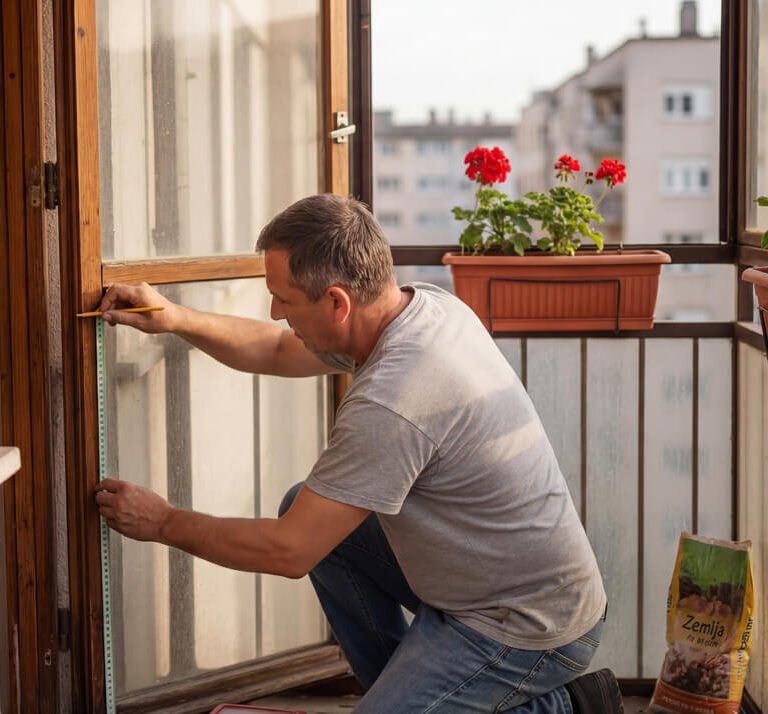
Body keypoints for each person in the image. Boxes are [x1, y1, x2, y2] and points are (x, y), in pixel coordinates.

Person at [95, 193, 623, 714]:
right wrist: (174, 317)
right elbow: (276, 350)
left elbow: (288, 552)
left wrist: (163, 522)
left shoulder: (394, 399)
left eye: (284, 299)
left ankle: (564, 706)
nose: (276, 312)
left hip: (526, 623)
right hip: (482, 581)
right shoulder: (423, 307)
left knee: (304, 531)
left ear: (337, 302)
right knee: (307, 509)